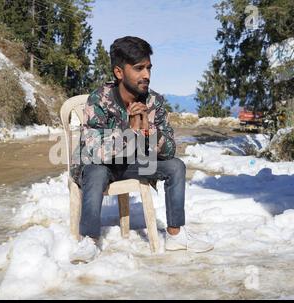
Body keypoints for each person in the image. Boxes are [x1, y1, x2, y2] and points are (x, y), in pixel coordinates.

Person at [69, 36, 213, 263]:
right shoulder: (99, 100)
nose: (146, 75)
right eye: (138, 68)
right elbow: (92, 151)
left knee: (176, 166)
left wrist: (147, 132)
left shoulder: (153, 101)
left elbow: (169, 150)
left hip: (131, 165)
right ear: (119, 72)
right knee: (96, 172)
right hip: (98, 166)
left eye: (148, 68)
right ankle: (89, 239)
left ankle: (175, 234)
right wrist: (131, 131)